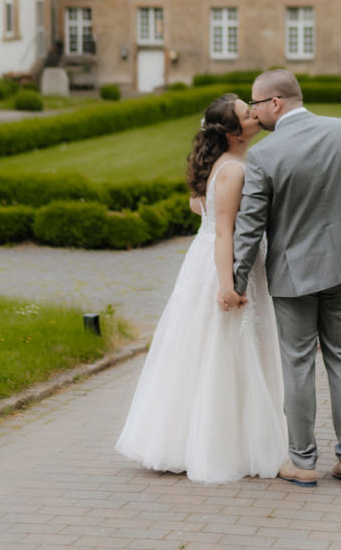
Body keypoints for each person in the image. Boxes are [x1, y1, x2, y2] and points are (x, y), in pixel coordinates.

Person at [115, 93, 288, 483]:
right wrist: (228, 286)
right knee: (226, 349)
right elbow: (224, 232)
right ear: (231, 132)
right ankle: (226, 444)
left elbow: (203, 209)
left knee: (213, 349)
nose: (255, 116)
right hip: (221, 267)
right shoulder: (232, 171)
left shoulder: (224, 164)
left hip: (208, 260)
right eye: (247, 114)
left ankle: (211, 437)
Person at [233, 69, 341, 487]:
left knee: (297, 364)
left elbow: (250, 226)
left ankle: (303, 461)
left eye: (256, 104)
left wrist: (236, 282)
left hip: (294, 276)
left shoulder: (264, 154)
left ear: (275, 102)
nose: (255, 112)